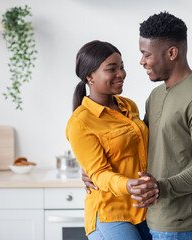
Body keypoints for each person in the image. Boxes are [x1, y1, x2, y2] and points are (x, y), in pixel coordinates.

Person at [83, 12, 192, 240]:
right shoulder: (156, 95)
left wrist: (161, 187)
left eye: (146, 54)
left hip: (182, 222)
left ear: (171, 53)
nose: (141, 62)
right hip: (155, 217)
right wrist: (94, 169)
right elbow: (140, 145)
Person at [66, 40, 157, 240]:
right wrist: (130, 185)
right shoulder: (80, 122)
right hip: (109, 213)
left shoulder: (129, 106)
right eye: (112, 69)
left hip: (142, 209)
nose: (121, 74)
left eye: (122, 67)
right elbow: (99, 173)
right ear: (90, 75)